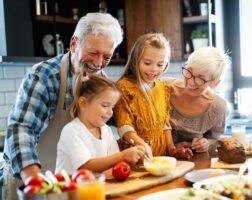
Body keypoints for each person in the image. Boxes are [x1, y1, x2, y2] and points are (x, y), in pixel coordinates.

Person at [1, 12, 123, 199]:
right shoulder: (45, 76)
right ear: (74, 44)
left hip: (71, 184)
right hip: (31, 178)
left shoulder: (101, 81)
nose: (99, 63)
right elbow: (21, 129)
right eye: (93, 53)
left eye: (107, 56)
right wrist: (37, 185)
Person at [114, 33, 192, 159]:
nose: (153, 70)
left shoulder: (162, 88)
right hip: (136, 156)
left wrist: (172, 149)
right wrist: (143, 145)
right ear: (135, 60)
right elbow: (124, 127)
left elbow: (164, 124)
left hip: (161, 157)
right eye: (147, 63)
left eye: (160, 65)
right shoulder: (124, 87)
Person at [56, 72, 145, 174]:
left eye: (112, 107)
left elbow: (114, 164)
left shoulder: (106, 130)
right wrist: (122, 156)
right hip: (70, 188)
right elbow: (85, 167)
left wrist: (130, 161)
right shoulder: (72, 130)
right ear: (83, 103)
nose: (110, 112)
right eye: (105, 105)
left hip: (97, 187)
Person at [165, 47, 230, 154]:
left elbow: (216, 139)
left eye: (200, 78)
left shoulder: (219, 108)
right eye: (189, 71)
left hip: (193, 164)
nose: (191, 81)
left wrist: (206, 143)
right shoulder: (163, 87)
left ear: (214, 83)